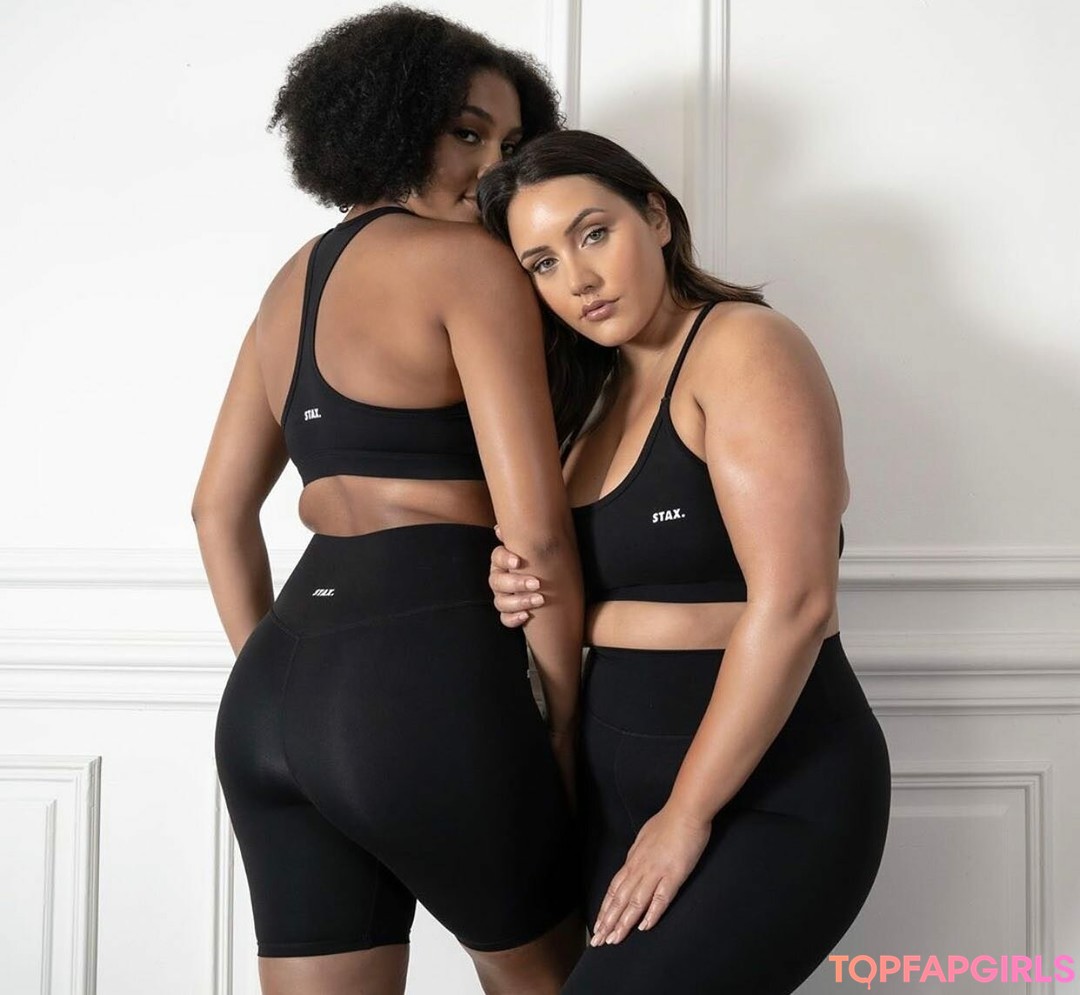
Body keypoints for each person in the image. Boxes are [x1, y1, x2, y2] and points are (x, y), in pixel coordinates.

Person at [192, 9, 587, 995]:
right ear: (391, 123)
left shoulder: (288, 284)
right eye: (466, 133)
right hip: (425, 675)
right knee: (553, 978)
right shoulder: (470, 265)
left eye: (510, 145)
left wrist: (295, 688)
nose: (491, 168)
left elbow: (215, 510)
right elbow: (535, 532)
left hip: (270, 702)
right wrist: (561, 716)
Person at [476, 130, 892, 994]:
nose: (578, 279)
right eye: (543, 263)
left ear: (657, 217)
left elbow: (798, 603)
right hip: (616, 792)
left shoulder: (743, 347)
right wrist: (518, 582)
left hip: (766, 787)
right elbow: (612, 584)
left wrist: (686, 813)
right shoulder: (589, 400)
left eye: (594, 233)